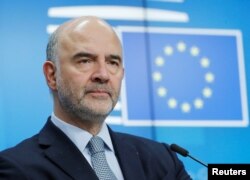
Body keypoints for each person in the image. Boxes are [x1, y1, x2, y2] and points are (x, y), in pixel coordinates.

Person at [0, 16, 191, 180]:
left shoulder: (163, 159)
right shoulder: (15, 168)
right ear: (52, 75)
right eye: (85, 60)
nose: (103, 74)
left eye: (112, 62)